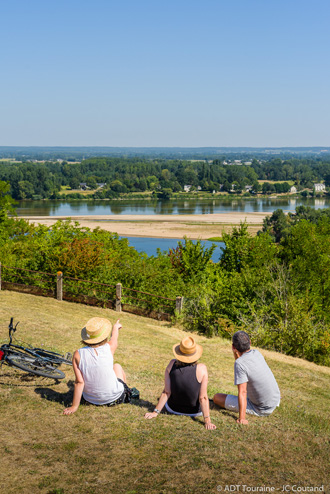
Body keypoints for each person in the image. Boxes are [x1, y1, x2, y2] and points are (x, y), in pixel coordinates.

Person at [145, 336, 216, 430]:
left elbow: (167, 392)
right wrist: (207, 420)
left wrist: (155, 412)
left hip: (173, 409)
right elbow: (203, 398)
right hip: (195, 412)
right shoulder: (202, 368)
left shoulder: (171, 364)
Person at [64, 317, 129, 414]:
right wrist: (115, 327)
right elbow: (114, 338)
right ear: (104, 336)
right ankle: (125, 391)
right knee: (117, 366)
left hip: (90, 400)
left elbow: (79, 382)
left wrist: (74, 406)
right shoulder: (110, 347)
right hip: (116, 399)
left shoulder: (77, 354)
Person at [213, 330, 280, 425]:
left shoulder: (240, 364)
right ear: (250, 343)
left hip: (261, 409)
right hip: (274, 401)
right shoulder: (257, 353)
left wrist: (242, 418)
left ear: (233, 347)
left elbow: (243, 392)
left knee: (217, 397)